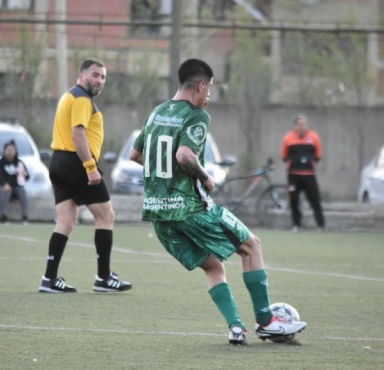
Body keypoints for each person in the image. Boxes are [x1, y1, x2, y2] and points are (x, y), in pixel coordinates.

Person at [129, 58, 306, 344]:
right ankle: (266, 321)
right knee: (251, 246)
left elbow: (135, 156)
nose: (209, 97)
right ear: (200, 86)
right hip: (191, 209)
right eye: (209, 90)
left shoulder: (156, 113)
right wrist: (206, 178)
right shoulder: (196, 116)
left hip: (159, 217)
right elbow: (185, 156)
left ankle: (236, 328)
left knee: (213, 267)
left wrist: (164, 181)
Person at [38, 58, 132, 293]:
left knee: (66, 221)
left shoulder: (69, 95)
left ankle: (49, 279)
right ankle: (103, 278)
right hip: (76, 163)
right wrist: (90, 167)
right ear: (81, 76)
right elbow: (77, 135)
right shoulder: (81, 98)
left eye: (103, 77)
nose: (99, 80)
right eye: (95, 75)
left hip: (59, 161)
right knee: (106, 216)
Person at [281, 115, 325, 232]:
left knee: (315, 200)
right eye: (300, 125)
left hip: (309, 175)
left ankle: (320, 225)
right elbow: (284, 156)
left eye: (304, 124)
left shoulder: (314, 137)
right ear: (295, 126)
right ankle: (296, 224)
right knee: (294, 200)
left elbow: (318, 155)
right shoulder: (288, 138)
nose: (302, 127)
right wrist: (291, 165)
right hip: (293, 175)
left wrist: (312, 164)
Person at [0, 140, 29, 224]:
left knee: (22, 191)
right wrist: (5, 184)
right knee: (5, 191)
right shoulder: (0, 163)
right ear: (4, 151)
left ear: (15, 151)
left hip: (16, 186)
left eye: (12, 150)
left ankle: (25, 217)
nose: (10, 152)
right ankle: (4, 216)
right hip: (4, 185)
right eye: (8, 150)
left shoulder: (19, 162)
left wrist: (25, 174)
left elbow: (26, 176)